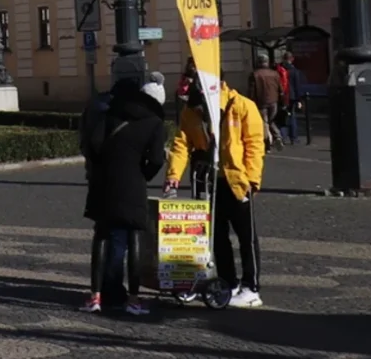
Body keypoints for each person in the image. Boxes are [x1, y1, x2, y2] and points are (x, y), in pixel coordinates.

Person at [166, 68, 267, 308]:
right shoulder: (191, 111)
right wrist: (173, 176)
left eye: (194, 80)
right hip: (209, 182)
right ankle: (229, 282)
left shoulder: (240, 105)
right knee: (217, 236)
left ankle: (251, 288)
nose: (189, 85)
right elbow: (182, 144)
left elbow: (254, 144)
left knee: (246, 237)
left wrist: (252, 180)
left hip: (237, 180)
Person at [83, 75, 168, 316]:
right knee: (133, 238)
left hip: (104, 184)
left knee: (102, 236)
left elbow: (93, 145)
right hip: (133, 184)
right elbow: (156, 159)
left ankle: (96, 296)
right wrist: (143, 174)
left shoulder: (110, 115)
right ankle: (132, 299)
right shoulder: (154, 122)